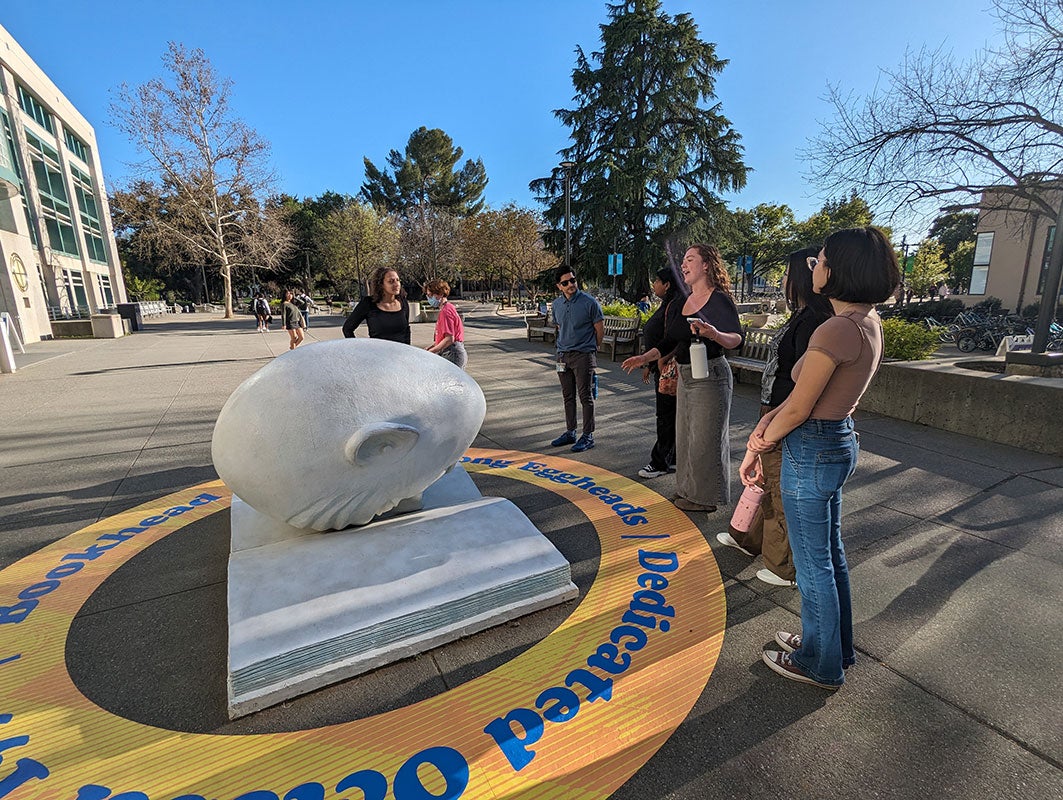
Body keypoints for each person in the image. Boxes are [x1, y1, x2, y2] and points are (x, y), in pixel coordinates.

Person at [743, 227, 899, 690]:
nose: (815, 266)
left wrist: (757, 446)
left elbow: (798, 406)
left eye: (821, 260)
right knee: (829, 556)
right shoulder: (867, 323)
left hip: (811, 447)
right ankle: (832, 646)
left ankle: (820, 663)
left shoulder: (835, 328)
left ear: (839, 271)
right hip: (837, 440)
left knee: (813, 566)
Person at [716, 247, 834, 587]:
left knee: (781, 486)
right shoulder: (802, 315)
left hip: (788, 411)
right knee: (766, 479)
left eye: (785, 274)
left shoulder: (815, 320)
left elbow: (803, 385)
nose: (782, 280)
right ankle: (750, 538)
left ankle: (783, 566)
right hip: (775, 405)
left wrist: (771, 424)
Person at [622, 245, 743, 513]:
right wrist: (644, 359)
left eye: (690, 260)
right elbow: (669, 342)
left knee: (706, 440)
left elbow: (736, 339)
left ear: (707, 265)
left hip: (711, 375)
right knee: (686, 437)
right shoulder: (683, 301)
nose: (684, 265)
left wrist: (714, 334)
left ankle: (706, 498)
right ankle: (688, 490)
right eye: (683, 261)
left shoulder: (719, 299)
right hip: (686, 375)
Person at [549, 265, 604, 453]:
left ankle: (588, 435)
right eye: (566, 282)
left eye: (573, 280)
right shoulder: (556, 305)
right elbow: (558, 326)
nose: (571, 284)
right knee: (568, 396)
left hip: (583, 355)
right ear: (559, 286)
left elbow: (599, 329)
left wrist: (593, 349)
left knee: (585, 396)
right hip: (563, 356)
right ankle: (570, 431)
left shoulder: (589, 302)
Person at [635, 267, 680, 479]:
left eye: (656, 281)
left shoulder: (675, 305)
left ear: (667, 284)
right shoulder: (667, 304)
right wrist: (649, 364)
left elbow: (673, 338)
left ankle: (661, 461)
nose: (654, 285)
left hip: (668, 369)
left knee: (666, 416)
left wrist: (660, 360)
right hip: (660, 367)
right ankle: (671, 456)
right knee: (669, 415)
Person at [342, 268, 412, 344]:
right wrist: (358, 349)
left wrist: (408, 351)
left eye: (398, 280)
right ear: (381, 284)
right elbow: (347, 329)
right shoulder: (368, 303)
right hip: (377, 354)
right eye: (391, 281)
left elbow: (406, 331)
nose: (396, 284)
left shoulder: (403, 302)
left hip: (401, 354)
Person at [424, 279, 467, 369]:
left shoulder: (446, 311)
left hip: (452, 353)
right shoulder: (448, 308)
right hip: (452, 351)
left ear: (440, 294)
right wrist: (432, 347)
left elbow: (449, 339)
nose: (429, 298)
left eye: (431, 295)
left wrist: (431, 351)